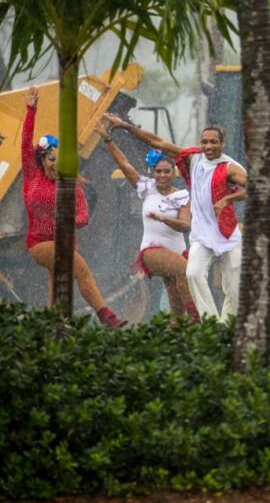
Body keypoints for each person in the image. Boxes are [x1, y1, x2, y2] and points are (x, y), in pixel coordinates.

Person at [103, 114, 246, 322]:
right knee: (190, 273)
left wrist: (227, 199)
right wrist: (122, 127)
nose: (208, 146)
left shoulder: (222, 172)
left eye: (214, 142)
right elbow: (153, 145)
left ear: (223, 144)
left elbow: (253, 187)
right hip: (189, 239)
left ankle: (215, 327)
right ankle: (206, 322)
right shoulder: (182, 166)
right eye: (204, 142)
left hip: (221, 235)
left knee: (229, 289)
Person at [21, 86, 126, 327]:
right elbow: (25, 143)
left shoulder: (71, 185)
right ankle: (106, 315)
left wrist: (67, 221)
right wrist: (31, 110)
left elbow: (83, 216)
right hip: (38, 243)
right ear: (42, 160)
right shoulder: (32, 175)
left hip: (66, 242)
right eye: (51, 159)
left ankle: (54, 326)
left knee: (57, 288)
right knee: (82, 271)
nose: (56, 164)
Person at [94, 121, 197, 320]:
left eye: (166, 171)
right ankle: (197, 319)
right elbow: (124, 164)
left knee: (175, 295)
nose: (162, 175)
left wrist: (163, 219)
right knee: (184, 269)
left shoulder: (182, 196)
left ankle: (178, 329)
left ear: (173, 172)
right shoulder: (147, 188)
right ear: (153, 172)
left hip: (177, 251)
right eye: (158, 171)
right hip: (152, 250)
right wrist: (108, 139)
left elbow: (185, 225)